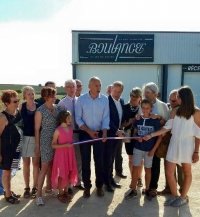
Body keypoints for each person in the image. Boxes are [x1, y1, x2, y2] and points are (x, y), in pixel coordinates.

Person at [144, 86, 200, 207]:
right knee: (169, 172)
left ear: (184, 97)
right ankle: (175, 196)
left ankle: (183, 197)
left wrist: (196, 152)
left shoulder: (196, 112)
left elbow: (198, 135)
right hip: (174, 144)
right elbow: (166, 127)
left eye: (178, 96)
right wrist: (151, 135)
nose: (176, 98)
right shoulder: (175, 111)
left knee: (187, 173)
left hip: (187, 146)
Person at [75, 76, 110, 198]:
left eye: (100, 85)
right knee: (85, 161)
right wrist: (89, 131)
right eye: (96, 85)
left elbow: (106, 118)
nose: (99, 87)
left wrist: (105, 132)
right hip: (85, 133)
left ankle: (99, 186)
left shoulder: (105, 100)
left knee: (99, 161)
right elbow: (78, 119)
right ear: (90, 86)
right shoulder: (81, 100)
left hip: (100, 134)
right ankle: (87, 187)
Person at [125, 99, 162, 199]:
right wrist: (137, 137)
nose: (145, 110)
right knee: (136, 168)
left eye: (147, 108)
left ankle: (147, 189)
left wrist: (153, 150)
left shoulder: (155, 121)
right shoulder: (138, 119)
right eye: (143, 108)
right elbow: (135, 132)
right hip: (138, 148)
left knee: (148, 169)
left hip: (149, 150)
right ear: (141, 108)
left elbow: (160, 136)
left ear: (151, 109)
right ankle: (133, 189)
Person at [143, 82, 169, 197]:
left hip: (158, 139)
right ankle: (146, 186)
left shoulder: (163, 106)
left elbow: (168, 123)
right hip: (145, 139)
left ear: (155, 94)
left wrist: (158, 117)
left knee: (155, 163)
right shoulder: (142, 104)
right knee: (147, 164)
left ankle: (153, 187)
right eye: (145, 92)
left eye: (147, 93)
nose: (145, 94)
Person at [58, 79, 84, 191]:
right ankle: (67, 184)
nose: (71, 89)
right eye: (68, 87)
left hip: (81, 133)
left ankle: (78, 181)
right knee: (68, 159)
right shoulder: (62, 103)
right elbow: (59, 122)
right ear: (65, 88)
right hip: (69, 135)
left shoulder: (81, 101)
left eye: (73, 86)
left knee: (79, 158)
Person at [35, 87, 59, 206]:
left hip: (56, 141)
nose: (55, 97)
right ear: (46, 97)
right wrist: (37, 145)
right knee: (44, 167)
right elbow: (37, 129)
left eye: (55, 95)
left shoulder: (57, 109)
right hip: (45, 141)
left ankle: (50, 188)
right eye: (53, 95)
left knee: (53, 166)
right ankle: (38, 195)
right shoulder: (40, 110)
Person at [158, 89, 184, 195]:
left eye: (175, 100)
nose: (173, 103)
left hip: (180, 143)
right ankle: (169, 188)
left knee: (181, 167)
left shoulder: (185, 110)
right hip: (167, 142)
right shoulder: (167, 107)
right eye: (171, 100)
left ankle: (183, 190)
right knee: (168, 166)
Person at [0, 90, 22, 204]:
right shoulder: (3, 117)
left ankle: (8, 190)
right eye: (15, 101)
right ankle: (8, 194)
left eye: (18, 100)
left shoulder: (18, 113)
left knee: (11, 171)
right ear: (7, 103)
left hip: (16, 149)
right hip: (6, 150)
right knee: (6, 172)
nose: (17, 103)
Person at [51, 111, 78, 203]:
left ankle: (66, 192)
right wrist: (65, 145)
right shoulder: (58, 130)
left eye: (71, 118)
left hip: (70, 154)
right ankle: (60, 193)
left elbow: (70, 140)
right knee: (62, 174)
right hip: (61, 155)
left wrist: (71, 143)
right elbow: (53, 145)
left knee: (69, 172)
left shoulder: (70, 129)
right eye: (68, 118)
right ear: (63, 119)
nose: (70, 120)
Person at [104, 81, 124, 193]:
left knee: (113, 158)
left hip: (118, 135)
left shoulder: (121, 101)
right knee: (108, 159)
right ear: (111, 90)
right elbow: (107, 119)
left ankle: (111, 180)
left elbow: (121, 117)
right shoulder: (106, 101)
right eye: (115, 91)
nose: (117, 94)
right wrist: (116, 130)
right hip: (110, 135)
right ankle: (106, 182)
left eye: (119, 91)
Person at [20, 86, 40, 198]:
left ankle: (35, 187)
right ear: (24, 96)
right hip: (24, 139)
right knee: (26, 164)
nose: (31, 96)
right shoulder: (21, 106)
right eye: (29, 94)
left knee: (36, 164)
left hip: (36, 138)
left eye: (32, 93)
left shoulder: (38, 106)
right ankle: (27, 188)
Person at [123, 87, 143, 188]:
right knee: (131, 158)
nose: (133, 98)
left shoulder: (143, 108)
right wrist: (131, 121)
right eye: (132, 96)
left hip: (140, 137)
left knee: (139, 159)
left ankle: (139, 178)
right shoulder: (125, 107)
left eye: (135, 97)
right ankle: (134, 178)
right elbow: (122, 124)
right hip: (128, 136)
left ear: (140, 97)